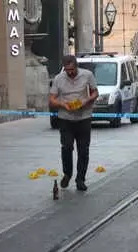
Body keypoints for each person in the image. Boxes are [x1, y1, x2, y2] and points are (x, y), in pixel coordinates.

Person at [49, 55, 99, 191]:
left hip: (84, 117)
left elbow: (95, 93)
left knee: (83, 150)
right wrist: (62, 104)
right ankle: (67, 173)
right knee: (66, 147)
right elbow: (52, 99)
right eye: (67, 70)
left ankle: (80, 179)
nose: (70, 72)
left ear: (76, 66)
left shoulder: (87, 75)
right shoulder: (59, 79)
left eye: (72, 69)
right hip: (65, 118)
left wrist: (86, 100)